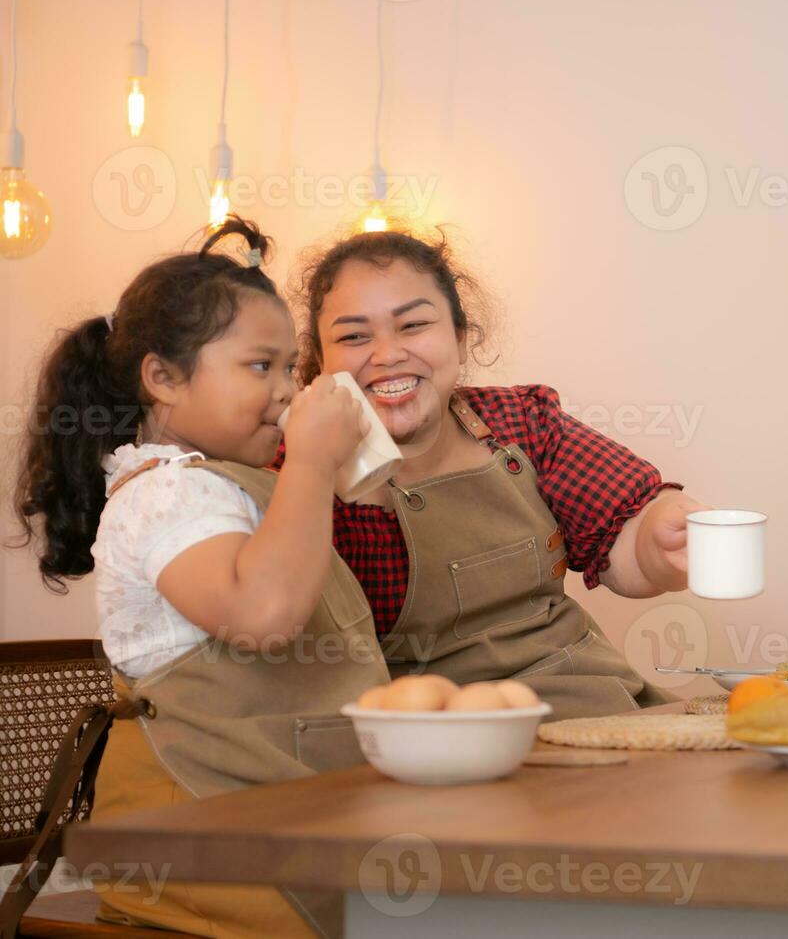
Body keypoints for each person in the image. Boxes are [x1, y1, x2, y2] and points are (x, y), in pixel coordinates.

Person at [9, 218, 382, 936]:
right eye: (259, 366)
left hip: (282, 807)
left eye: (290, 367)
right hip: (196, 828)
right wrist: (310, 462)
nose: (285, 391)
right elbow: (264, 617)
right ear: (163, 378)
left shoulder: (228, 485)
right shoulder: (163, 494)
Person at [284, 229, 705, 717]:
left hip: (589, 699)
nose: (387, 354)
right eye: (354, 336)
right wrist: (310, 466)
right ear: (319, 362)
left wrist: (661, 538)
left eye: (413, 325)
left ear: (461, 340)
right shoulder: (300, 472)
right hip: (435, 733)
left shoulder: (522, 421)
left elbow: (624, 546)